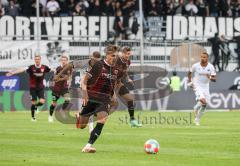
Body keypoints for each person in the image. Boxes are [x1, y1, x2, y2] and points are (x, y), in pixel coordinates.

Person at [77, 45, 119, 153]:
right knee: (82, 125)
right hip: (92, 97)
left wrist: (114, 96)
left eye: (116, 55)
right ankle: (79, 116)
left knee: (102, 119)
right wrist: (85, 94)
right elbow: (84, 81)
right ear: (107, 55)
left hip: (104, 99)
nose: (114, 58)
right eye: (112, 55)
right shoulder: (98, 65)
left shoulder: (115, 70)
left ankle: (88, 146)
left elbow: (112, 85)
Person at [6, 55, 52, 121]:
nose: (37, 60)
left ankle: (36, 107)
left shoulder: (44, 67)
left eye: (38, 59)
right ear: (34, 60)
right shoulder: (31, 67)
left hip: (40, 87)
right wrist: (12, 72)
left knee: (42, 101)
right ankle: (33, 117)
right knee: (33, 102)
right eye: (36, 59)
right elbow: (22, 69)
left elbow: (51, 69)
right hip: (33, 87)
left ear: (40, 60)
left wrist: (57, 71)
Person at [115, 46, 142, 127]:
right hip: (110, 84)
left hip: (118, 83)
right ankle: (90, 114)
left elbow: (125, 71)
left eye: (129, 54)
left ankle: (132, 121)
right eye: (127, 54)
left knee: (130, 99)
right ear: (122, 53)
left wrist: (128, 78)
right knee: (108, 103)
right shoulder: (117, 60)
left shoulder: (128, 62)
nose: (128, 56)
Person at [187, 52, 216, 126]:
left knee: (205, 104)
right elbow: (189, 72)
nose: (202, 58)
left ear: (207, 58)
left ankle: (197, 113)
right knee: (203, 101)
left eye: (204, 57)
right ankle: (197, 120)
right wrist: (190, 82)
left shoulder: (211, 67)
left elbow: (214, 79)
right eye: (201, 57)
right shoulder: (195, 66)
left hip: (206, 86)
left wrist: (209, 77)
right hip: (197, 85)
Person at [48, 53, 73, 123]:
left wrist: (69, 81)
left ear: (67, 61)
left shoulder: (69, 68)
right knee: (54, 103)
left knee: (68, 99)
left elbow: (70, 76)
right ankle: (50, 116)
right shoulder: (58, 68)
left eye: (65, 60)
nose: (63, 61)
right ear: (61, 61)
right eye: (62, 60)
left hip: (64, 88)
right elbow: (54, 78)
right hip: (56, 88)